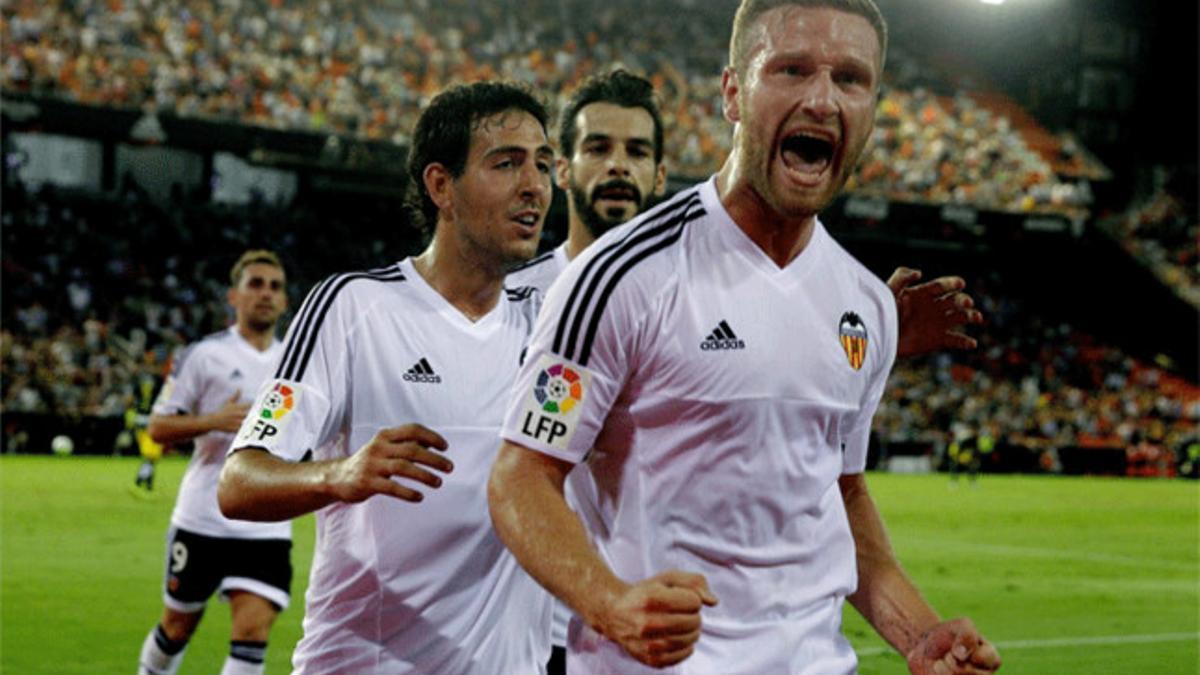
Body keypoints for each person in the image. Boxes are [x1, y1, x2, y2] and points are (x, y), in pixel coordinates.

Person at [489, 2, 1002, 674]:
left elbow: (841, 493)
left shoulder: (867, 304)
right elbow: (520, 475)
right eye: (791, 70)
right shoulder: (620, 275)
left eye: (850, 79)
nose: (822, 99)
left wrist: (919, 633)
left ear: (873, 107)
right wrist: (610, 602)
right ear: (734, 93)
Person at [217, 82, 556, 674]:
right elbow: (239, 481)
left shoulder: (552, 323)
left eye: (544, 165)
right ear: (440, 186)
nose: (534, 186)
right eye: (506, 164)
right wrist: (338, 474)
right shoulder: (355, 308)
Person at [137, 250, 291, 675]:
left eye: (275, 287)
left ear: (285, 301)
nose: (266, 294)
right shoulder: (203, 356)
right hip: (204, 516)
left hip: (266, 521)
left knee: (253, 631)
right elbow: (158, 427)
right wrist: (213, 421)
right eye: (255, 284)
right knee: (177, 627)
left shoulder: (295, 362)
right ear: (233, 297)